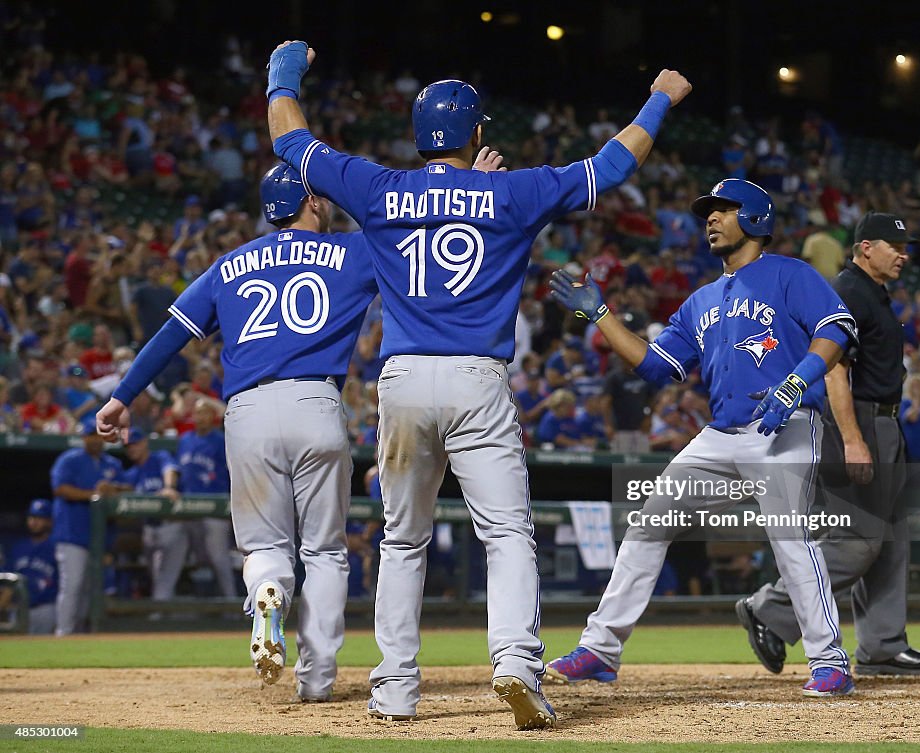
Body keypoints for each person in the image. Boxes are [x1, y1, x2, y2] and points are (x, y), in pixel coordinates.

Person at [265, 39, 691, 728]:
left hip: (402, 379)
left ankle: (396, 687)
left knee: (403, 540)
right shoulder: (513, 191)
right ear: (478, 135)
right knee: (507, 534)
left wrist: (283, 71)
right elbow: (613, 164)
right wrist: (661, 97)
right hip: (477, 379)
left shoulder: (381, 188)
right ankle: (517, 664)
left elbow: (290, 139)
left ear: (417, 135)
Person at [545, 178, 859, 697]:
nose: (710, 218)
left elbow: (836, 328)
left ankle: (829, 659)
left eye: (723, 209)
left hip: (784, 426)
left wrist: (798, 379)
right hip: (719, 434)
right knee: (650, 523)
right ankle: (599, 650)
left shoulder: (789, 274)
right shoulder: (701, 300)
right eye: (707, 211)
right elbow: (653, 365)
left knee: (791, 537)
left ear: (755, 217)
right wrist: (601, 316)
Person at [96, 163, 379, 702]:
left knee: (264, 546)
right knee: (323, 550)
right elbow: (420, 223)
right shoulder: (355, 250)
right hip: (315, 401)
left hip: (247, 409)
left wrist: (122, 396)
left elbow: (171, 334)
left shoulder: (229, 265)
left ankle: (267, 589)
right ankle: (316, 680)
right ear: (314, 203)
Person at [739, 212, 920, 677]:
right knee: (858, 540)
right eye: (894, 244)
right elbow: (833, 369)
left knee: (890, 541)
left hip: (883, 422)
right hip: (858, 421)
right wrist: (853, 439)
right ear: (866, 247)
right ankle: (769, 608)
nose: (903, 253)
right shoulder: (847, 292)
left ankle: (883, 644)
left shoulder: (871, 293)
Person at [50, 418, 131, 635]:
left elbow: (129, 488)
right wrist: (95, 495)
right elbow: (61, 489)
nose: (95, 440)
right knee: (73, 586)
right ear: (83, 438)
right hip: (72, 535)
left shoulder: (112, 463)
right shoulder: (70, 460)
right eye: (91, 435)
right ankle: (64, 633)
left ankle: (83, 634)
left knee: (92, 589)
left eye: (99, 436)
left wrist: (113, 488)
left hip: (100, 537)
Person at [177, 398, 236, 599]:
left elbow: (231, 472)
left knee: (219, 558)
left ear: (213, 417)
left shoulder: (220, 440)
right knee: (198, 559)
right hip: (189, 507)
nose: (200, 417)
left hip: (215, 505)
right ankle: (201, 603)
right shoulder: (185, 439)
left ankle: (230, 602)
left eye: (204, 412)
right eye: (197, 413)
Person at [122, 428, 182, 601]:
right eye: (128, 446)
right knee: (158, 578)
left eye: (135, 444)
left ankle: (159, 618)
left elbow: (170, 469)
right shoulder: (132, 474)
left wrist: (169, 487)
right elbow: (124, 490)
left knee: (164, 578)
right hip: (150, 529)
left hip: (172, 524)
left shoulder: (159, 457)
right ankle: (169, 616)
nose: (132, 449)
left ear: (144, 443)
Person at [7, 499, 58, 634]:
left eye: (40, 518)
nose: (34, 522)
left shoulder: (57, 548)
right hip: (18, 609)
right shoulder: (18, 547)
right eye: (32, 517)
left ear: (50, 521)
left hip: (46, 609)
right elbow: (8, 583)